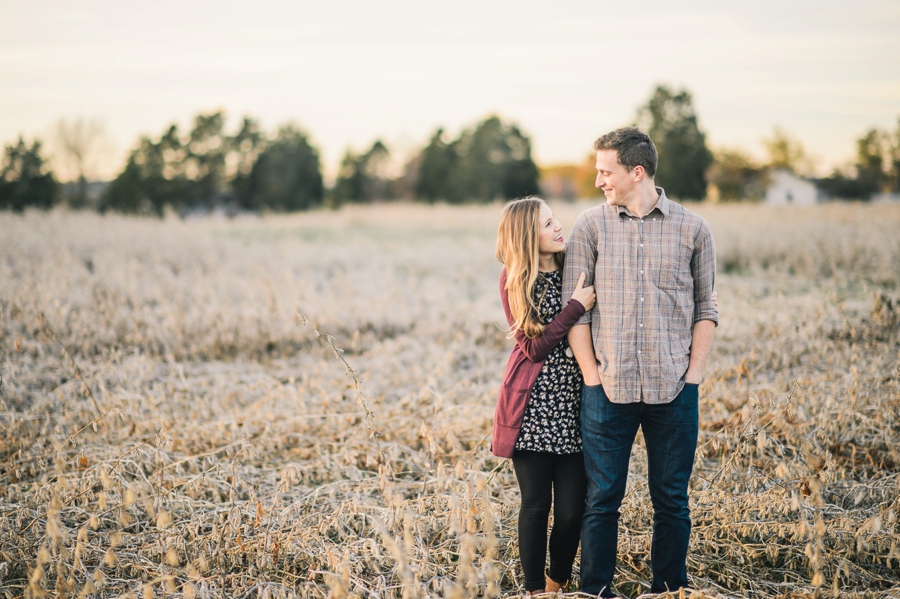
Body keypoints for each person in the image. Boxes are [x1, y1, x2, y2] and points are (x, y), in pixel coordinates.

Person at [562, 127, 719, 597]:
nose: (598, 181)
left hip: (674, 390)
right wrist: (592, 376)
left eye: (605, 172)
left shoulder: (694, 229)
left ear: (637, 172)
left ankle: (668, 588)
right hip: (608, 390)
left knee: (671, 499)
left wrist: (692, 376)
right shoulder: (589, 227)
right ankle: (596, 590)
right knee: (602, 499)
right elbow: (576, 310)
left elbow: (706, 308)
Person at [492, 197, 597, 594]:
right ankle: (535, 591)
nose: (558, 228)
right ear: (525, 236)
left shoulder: (575, 265)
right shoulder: (514, 279)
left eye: (555, 219)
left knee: (571, 512)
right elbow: (533, 348)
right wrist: (574, 308)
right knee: (536, 506)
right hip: (532, 410)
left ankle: (556, 584)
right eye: (547, 224)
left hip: (574, 409)